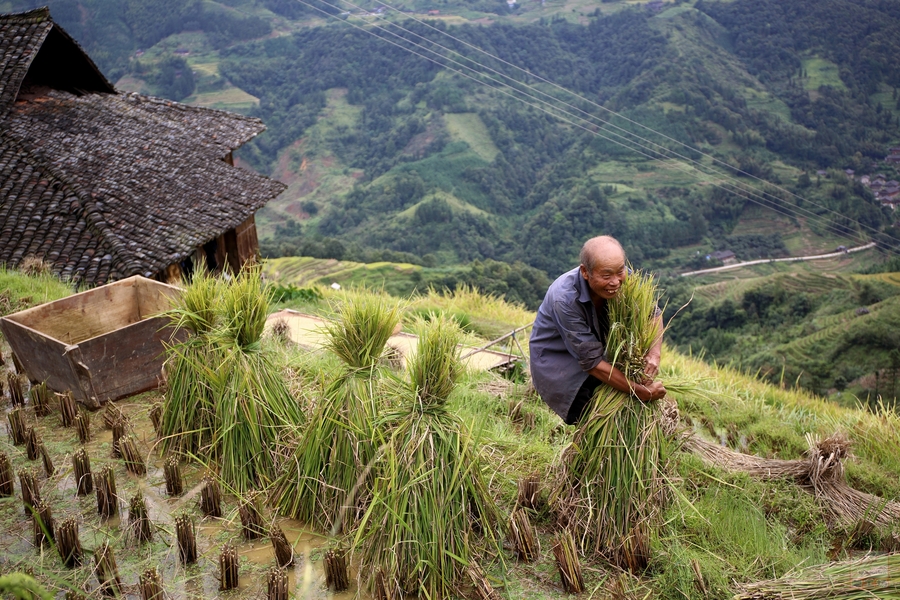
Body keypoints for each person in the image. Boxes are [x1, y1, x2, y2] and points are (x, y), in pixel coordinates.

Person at [529, 236, 666, 425]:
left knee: (623, 413)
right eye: (606, 275)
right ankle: (587, 453)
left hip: (596, 353)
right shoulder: (564, 299)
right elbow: (592, 363)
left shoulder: (625, 278)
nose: (616, 281)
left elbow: (653, 313)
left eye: (620, 271)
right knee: (594, 421)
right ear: (585, 272)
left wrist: (654, 354)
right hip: (561, 365)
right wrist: (641, 392)